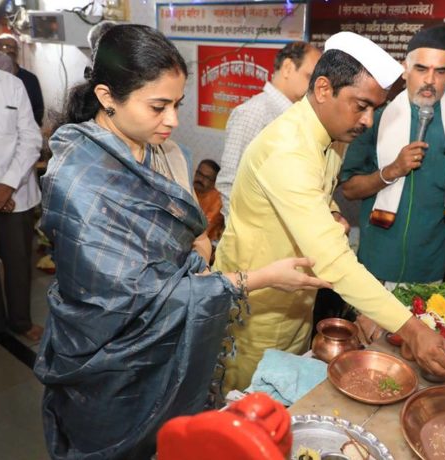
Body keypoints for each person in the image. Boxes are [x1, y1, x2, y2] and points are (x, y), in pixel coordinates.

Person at [32, 24, 330, 460]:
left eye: (177, 104)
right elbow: (131, 297)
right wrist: (261, 277)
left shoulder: (164, 152)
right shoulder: (78, 179)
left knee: (174, 443)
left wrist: (201, 241)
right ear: (106, 97)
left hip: (168, 342)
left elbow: (186, 228)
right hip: (110, 357)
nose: (172, 120)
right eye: (158, 106)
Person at [214, 31, 445, 394]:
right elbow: (334, 261)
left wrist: (329, 212)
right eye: (361, 105)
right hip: (258, 311)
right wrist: (412, 329)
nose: (368, 120)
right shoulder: (289, 149)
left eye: (374, 109)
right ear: (323, 89)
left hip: (297, 299)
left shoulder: (326, 134)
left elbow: (317, 192)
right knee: (246, 416)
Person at [340, 25, 445, 287]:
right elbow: (348, 188)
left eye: (440, 72)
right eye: (421, 69)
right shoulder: (376, 117)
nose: (430, 80)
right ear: (405, 69)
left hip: (431, 266)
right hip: (377, 262)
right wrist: (391, 171)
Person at [0, 30, 43, 351]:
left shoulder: (11, 84)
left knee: (19, 263)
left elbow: (30, 138)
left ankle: (21, 321)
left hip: (17, 194)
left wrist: (6, 185)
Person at [215, 41, 321, 217]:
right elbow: (230, 182)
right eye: (309, 77)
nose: (314, 88)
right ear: (287, 68)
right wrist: (239, 236)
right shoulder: (254, 112)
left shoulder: (299, 115)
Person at [0, 33, 44, 126]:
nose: (11, 50)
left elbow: (38, 110)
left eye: (15, 47)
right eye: (6, 46)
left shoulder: (30, 79)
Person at [194, 159, 224, 243]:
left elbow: (203, 229)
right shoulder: (188, 188)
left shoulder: (218, 201)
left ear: (214, 182)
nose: (200, 179)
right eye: (199, 173)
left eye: (206, 178)